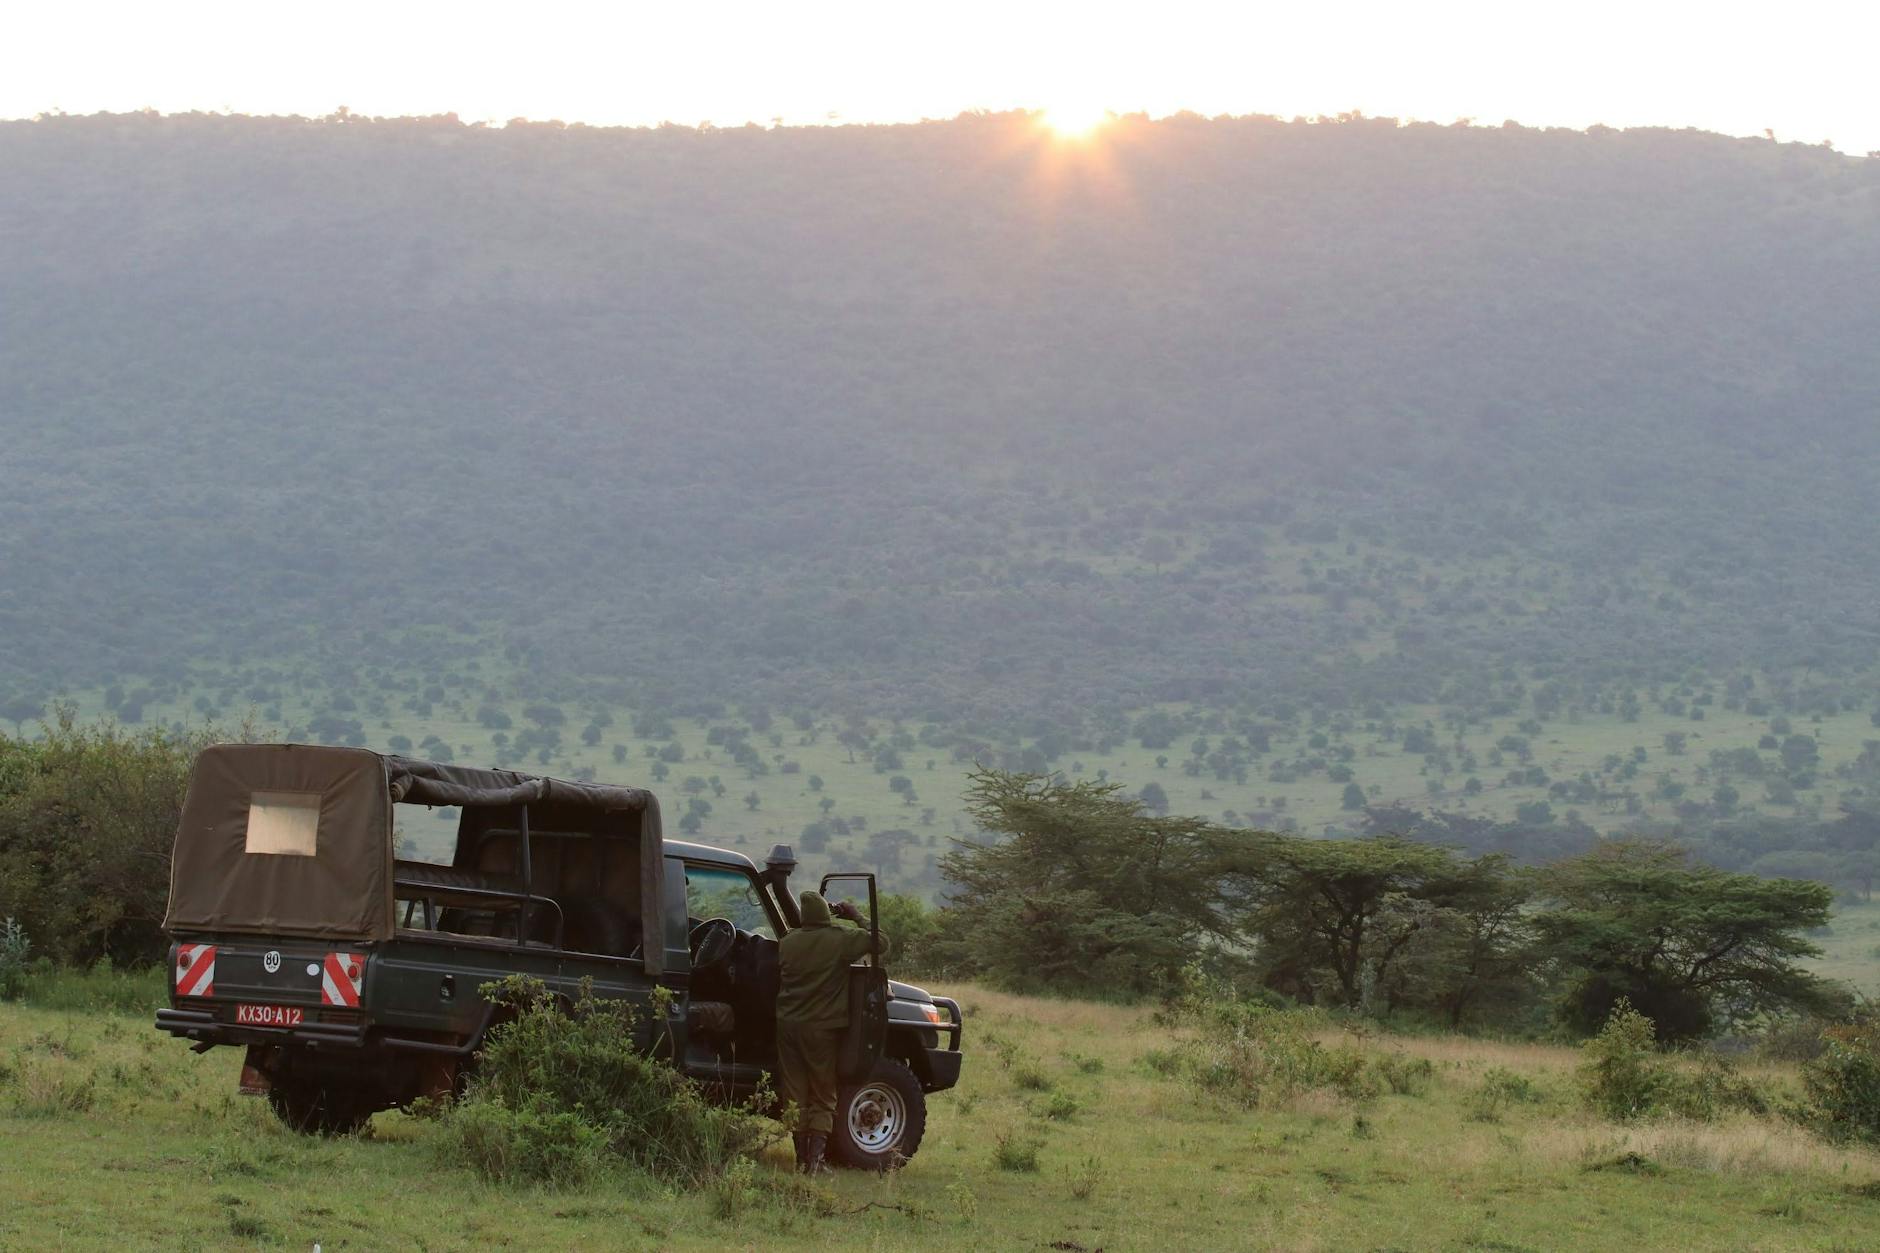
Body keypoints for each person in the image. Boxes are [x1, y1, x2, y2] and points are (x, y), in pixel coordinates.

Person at [775, 889, 891, 1173]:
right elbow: (881, 942)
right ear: (825, 915)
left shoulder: (787, 942)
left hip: (787, 1026)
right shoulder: (839, 939)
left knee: (794, 1092)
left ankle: (801, 1159)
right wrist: (854, 915)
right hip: (821, 1028)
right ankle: (815, 1162)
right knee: (823, 1093)